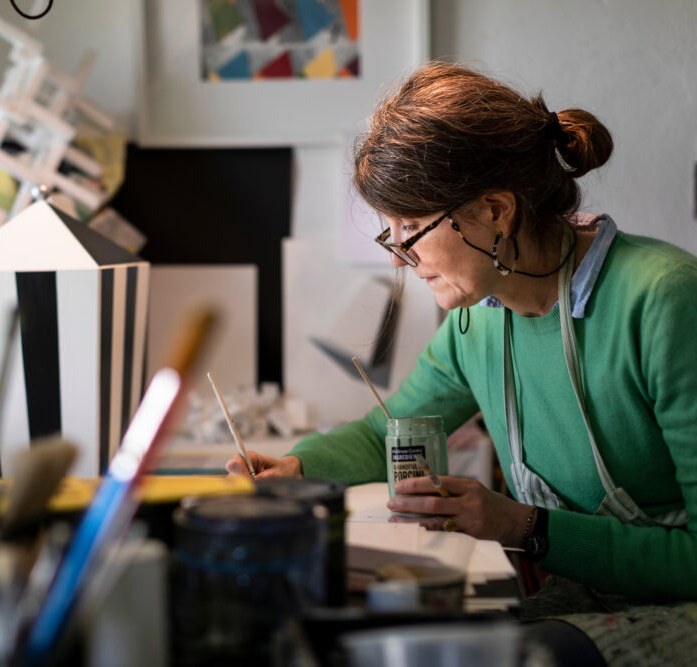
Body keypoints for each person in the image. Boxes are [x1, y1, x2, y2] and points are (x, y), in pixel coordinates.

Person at [227, 62, 697, 665]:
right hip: (583, 595)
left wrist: (523, 526)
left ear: (496, 210)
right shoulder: (477, 322)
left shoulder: (664, 301)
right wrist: (297, 471)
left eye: (412, 227)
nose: (400, 258)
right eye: (390, 232)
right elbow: (386, 434)